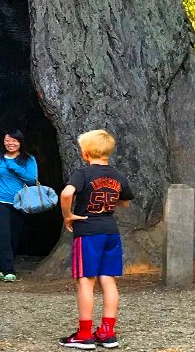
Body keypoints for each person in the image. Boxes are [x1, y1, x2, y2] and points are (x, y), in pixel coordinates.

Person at [59, 129, 133, 350]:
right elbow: (125, 201)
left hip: (88, 232)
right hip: (111, 230)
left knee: (85, 281)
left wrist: (68, 215)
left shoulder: (82, 173)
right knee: (108, 280)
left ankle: (84, 334)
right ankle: (107, 332)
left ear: (85, 153)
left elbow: (66, 193)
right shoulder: (117, 175)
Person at [0, 129, 38, 282]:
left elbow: (32, 180)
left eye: (14, 140)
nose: (11, 143)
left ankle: (3, 267)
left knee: (14, 235)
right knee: (4, 234)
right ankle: (9, 270)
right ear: (3, 141)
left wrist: (15, 167)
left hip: (20, 202)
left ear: (20, 142)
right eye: (8, 140)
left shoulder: (29, 159)